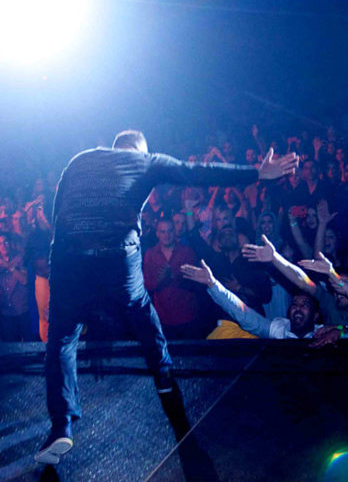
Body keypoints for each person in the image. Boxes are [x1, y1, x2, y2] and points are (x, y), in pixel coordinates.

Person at [35, 129, 298, 464]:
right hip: (117, 254)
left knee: (61, 338)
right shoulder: (144, 161)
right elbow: (196, 171)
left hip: (69, 256)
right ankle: (163, 375)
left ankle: (61, 426)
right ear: (140, 149)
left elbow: (57, 217)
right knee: (139, 307)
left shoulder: (80, 159)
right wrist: (257, 173)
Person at [180, 259, 322, 339]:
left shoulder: (325, 335)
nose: (298, 308)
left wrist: (337, 331)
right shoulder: (279, 330)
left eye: (305, 305)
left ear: (315, 316)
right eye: (294, 304)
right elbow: (243, 314)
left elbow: (341, 328)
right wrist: (212, 284)